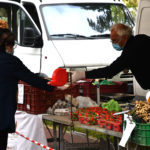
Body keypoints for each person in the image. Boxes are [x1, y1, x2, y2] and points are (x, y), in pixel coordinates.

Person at [0, 29, 58, 150]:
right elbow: (32, 79)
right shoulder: (11, 62)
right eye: (12, 44)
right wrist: (55, 84)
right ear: (6, 45)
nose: (12, 48)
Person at [71, 23, 150, 91]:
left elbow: (110, 71)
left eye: (115, 40)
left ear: (125, 37)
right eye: (111, 41)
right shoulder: (141, 38)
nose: (113, 43)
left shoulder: (130, 51)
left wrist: (83, 74)